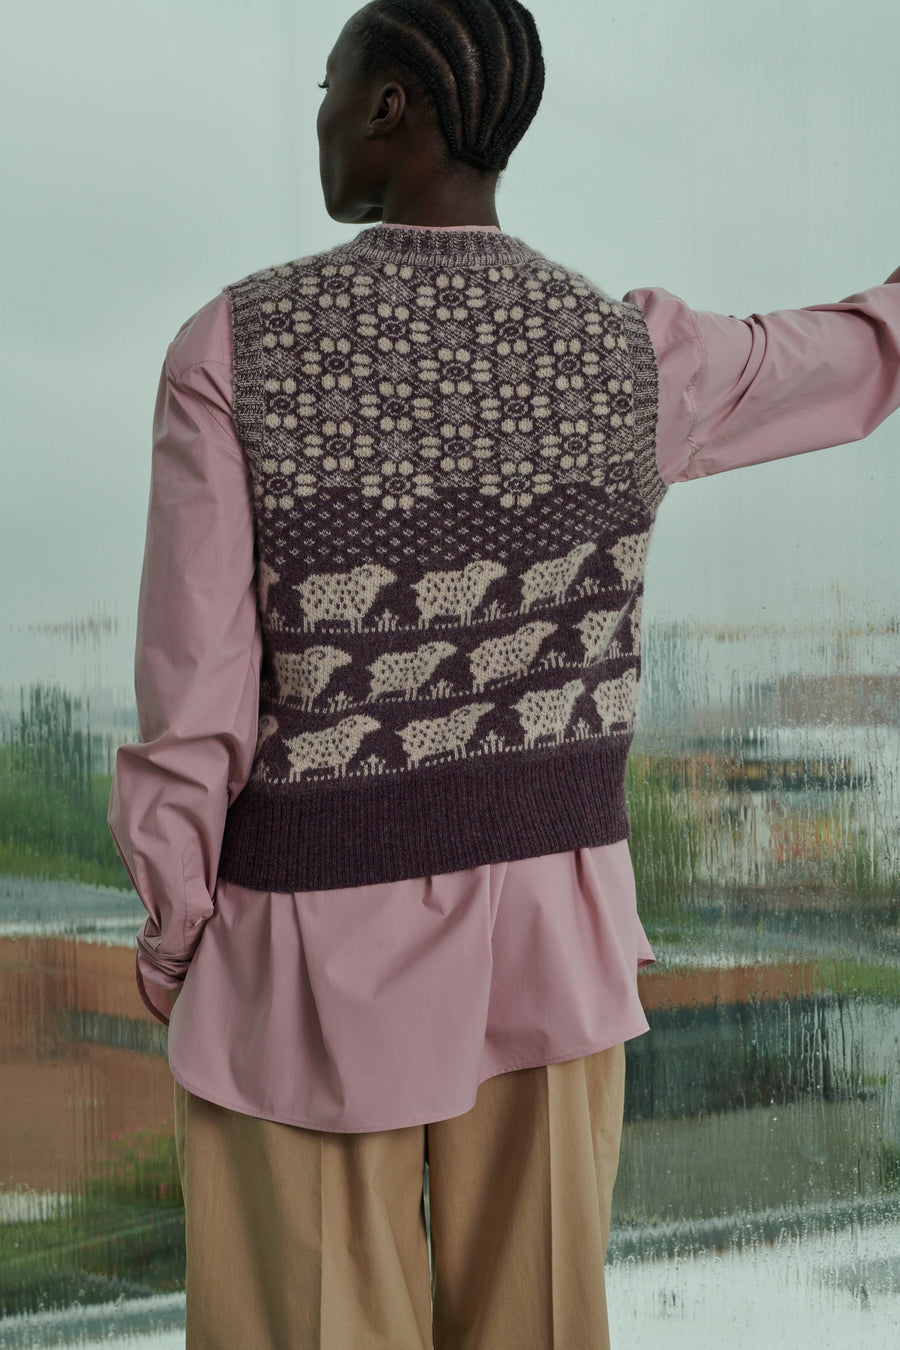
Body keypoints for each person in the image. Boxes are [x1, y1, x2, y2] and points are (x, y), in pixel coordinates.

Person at [107, 1, 900, 1346]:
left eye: (330, 82)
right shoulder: (631, 355)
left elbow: (196, 696)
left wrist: (178, 928)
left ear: (390, 106)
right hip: (554, 942)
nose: (318, 112)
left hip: (304, 948)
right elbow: (842, 357)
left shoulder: (235, 348)